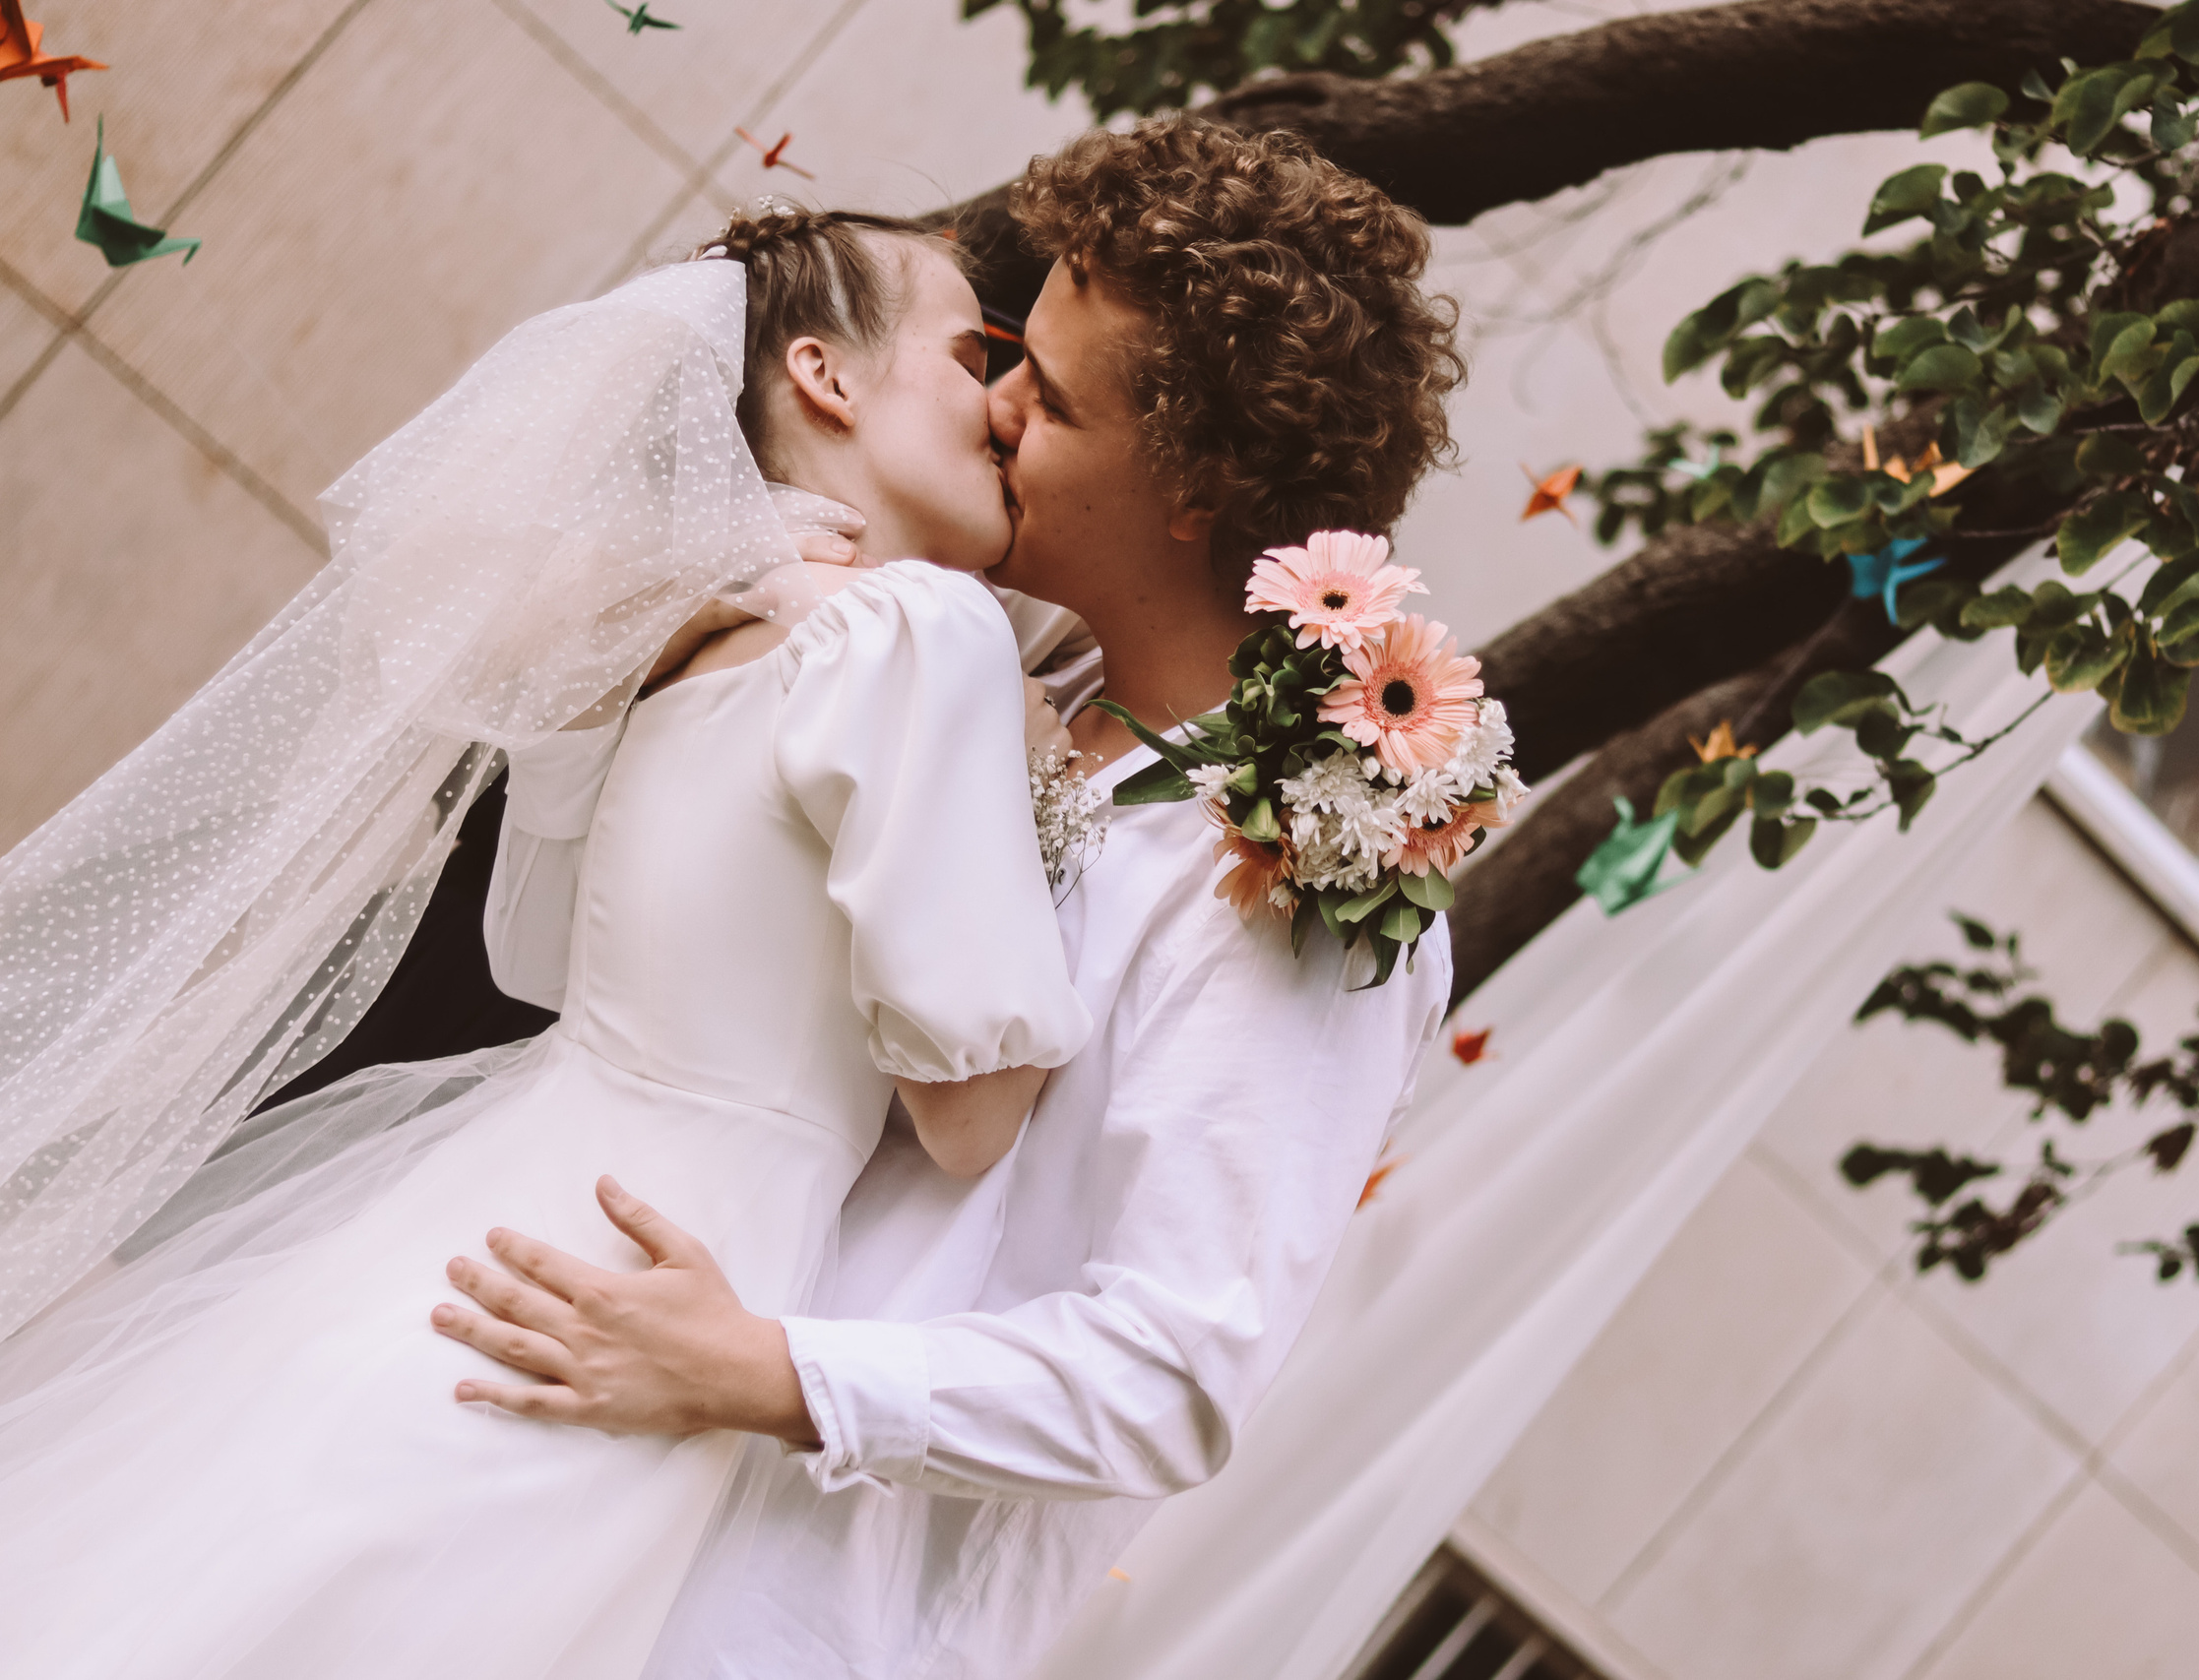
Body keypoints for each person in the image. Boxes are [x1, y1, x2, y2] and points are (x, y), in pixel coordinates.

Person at [433, 116, 1470, 1678]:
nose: (990, 408)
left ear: (1194, 484)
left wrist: (763, 1373)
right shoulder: (994, 669)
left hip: (791, 1605)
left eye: (1045, 397)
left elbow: (1177, 1370)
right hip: (572, 1469)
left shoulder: (1307, 867)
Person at [0, 209, 1098, 1677]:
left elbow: (537, 956)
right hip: (608, 1316)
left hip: (459, 1243)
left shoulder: (696, 641)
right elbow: (967, 1121)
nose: (1007, 406)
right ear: (827, 377)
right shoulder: (922, 638)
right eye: (977, 356)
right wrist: (1051, 798)